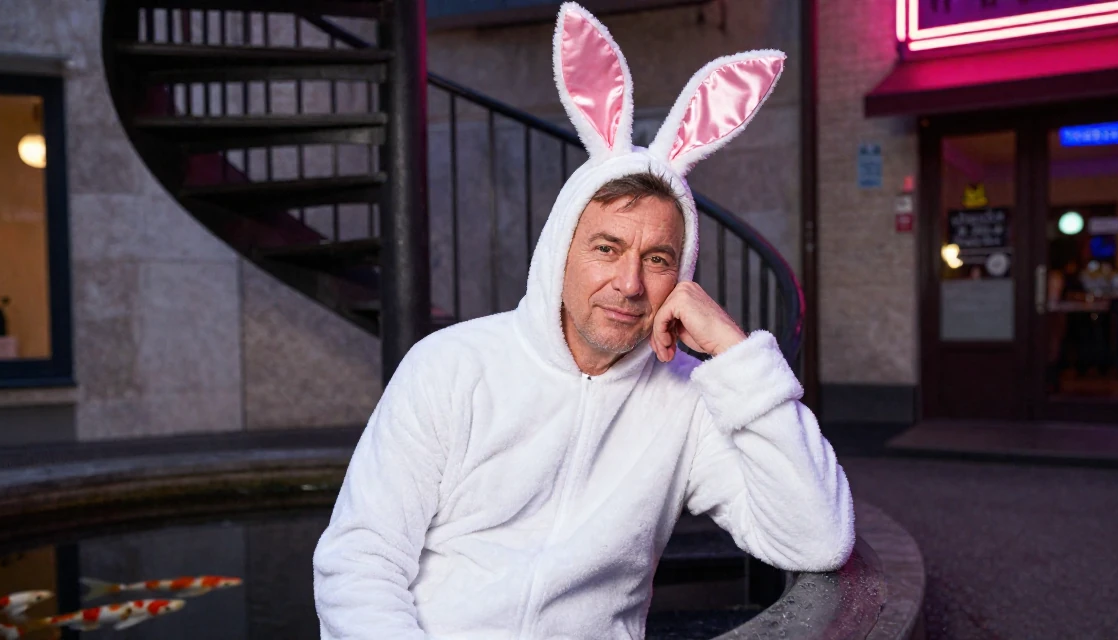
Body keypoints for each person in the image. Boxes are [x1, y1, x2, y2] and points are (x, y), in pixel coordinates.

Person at [313, 4, 855, 638]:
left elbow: (817, 538)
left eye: (657, 259)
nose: (628, 284)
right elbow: (359, 563)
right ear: (560, 251)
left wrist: (736, 355)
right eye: (606, 247)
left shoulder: (687, 401)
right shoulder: (449, 367)